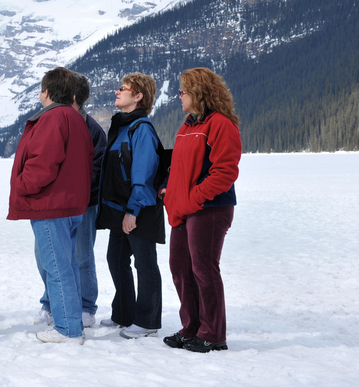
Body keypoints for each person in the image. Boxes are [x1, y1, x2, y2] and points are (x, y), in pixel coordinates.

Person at [8, 67, 93, 344]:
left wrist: (21, 185)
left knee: (56, 267)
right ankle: (69, 320)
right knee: (66, 265)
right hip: (71, 205)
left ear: (46, 92)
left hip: (51, 205)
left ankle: (68, 329)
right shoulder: (75, 118)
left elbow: (43, 164)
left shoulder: (53, 118)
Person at [162, 67, 241, 353]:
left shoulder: (220, 124)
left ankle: (213, 334)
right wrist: (168, 192)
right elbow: (179, 168)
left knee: (204, 269)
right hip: (185, 209)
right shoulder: (187, 126)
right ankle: (192, 327)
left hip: (210, 209)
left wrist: (194, 197)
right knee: (180, 268)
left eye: (183, 91)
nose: (179, 96)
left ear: (199, 92)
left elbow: (224, 172)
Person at [33, 73, 106, 329]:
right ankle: (51, 303)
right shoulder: (58, 120)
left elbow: (94, 171)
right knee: (48, 255)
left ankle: (85, 306)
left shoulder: (92, 130)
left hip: (83, 203)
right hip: (58, 203)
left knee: (80, 255)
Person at [97, 72, 164, 339]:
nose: (117, 92)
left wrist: (133, 211)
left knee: (145, 263)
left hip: (139, 210)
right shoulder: (122, 126)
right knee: (116, 258)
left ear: (138, 96)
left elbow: (143, 174)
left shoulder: (142, 128)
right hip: (119, 208)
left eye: (123, 89)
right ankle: (123, 313)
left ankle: (148, 321)